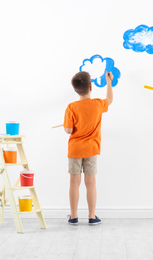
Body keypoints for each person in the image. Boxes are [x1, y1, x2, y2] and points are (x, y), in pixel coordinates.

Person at [63, 71, 113, 225]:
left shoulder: (71, 107)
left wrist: (66, 126)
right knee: (90, 183)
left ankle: (73, 216)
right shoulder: (98, 104)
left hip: (75, 150)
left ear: (75, 89)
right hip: (91, 149)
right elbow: (109, 100)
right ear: (91, 87)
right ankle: (92, 216)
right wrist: (108, 81)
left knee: (74, 183)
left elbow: (69, 131)